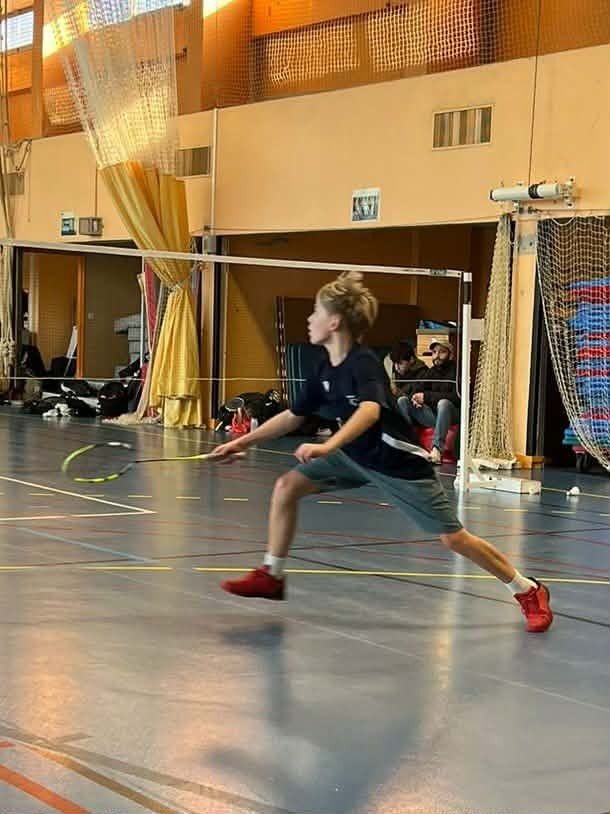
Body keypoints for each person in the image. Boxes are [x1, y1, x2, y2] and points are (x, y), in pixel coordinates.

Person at [213, 272, 553, 632]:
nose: (309, 320)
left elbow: (369, 411)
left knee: (452, 537)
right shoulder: (323, 367)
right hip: (354, 455)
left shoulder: (362, 363)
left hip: (396, 462)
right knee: (286, 487)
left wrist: (328, 445)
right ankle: (272, 574)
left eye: (316, 312)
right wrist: (240, 442)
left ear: (334, 322)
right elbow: (293, 415)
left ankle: (528, 589)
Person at [397, 338, 459, 464]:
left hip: (451, 415)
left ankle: (437, 450)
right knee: (403, 401)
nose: (437, 356)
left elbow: (457, 398)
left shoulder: (458, 371)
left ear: (451, 355)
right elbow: (418, 389)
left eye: (442, 352)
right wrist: (416, 398)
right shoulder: (431, 371)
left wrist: (426, 397)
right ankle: (408, 446)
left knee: (443, 403)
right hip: (433, 416)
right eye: (434, 352)